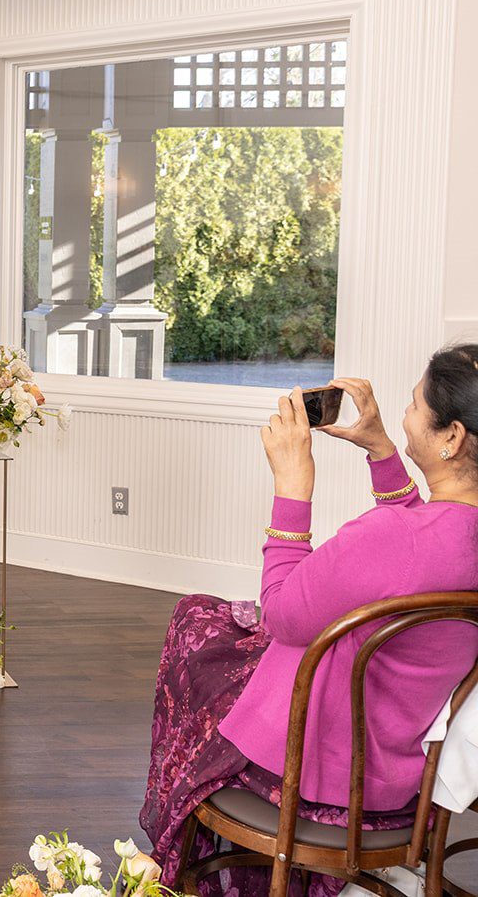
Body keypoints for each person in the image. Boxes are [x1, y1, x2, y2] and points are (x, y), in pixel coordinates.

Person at [141, 347, 478, 895]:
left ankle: (185, 855)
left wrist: (292, 487)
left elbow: (281, 613)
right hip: (400, 776)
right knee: (217, 628)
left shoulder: (391, 538)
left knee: (195, 626)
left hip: (322, 780)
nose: (404, 414)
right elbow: (428, 540)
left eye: (414, 405)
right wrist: (382, 452)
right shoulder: (455, 536)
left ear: (453, 436)